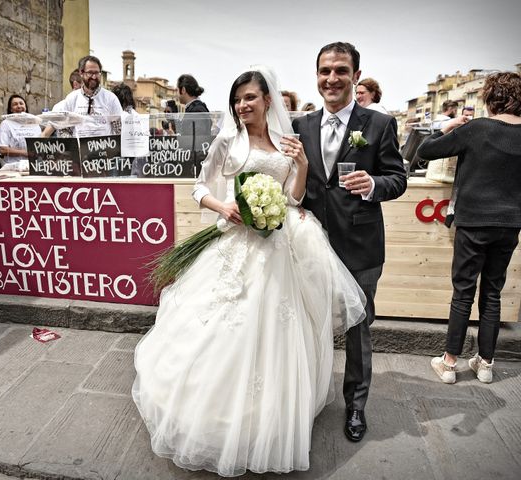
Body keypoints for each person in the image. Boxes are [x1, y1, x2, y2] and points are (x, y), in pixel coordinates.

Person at [133, 65, 366, 476]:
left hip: (278, 246)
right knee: (224, 324)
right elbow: (199, 187)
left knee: (278, 329)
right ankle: (215, 415)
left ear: (267, 100)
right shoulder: (227, 141)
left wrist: (304, 168)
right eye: (238, 99)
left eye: (250, 98)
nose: (242, 105)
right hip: (237, 242)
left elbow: (293, 199)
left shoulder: (286, 142)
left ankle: (269, 417)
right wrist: (223, 207)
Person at [293, 42, 407, 443]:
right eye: (325, 71)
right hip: (310, 246)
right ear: (317, 75)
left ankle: (356, 406)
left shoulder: (378, 124)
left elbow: (398, 179)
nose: (332, 79)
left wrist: (375, 183)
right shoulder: (301, 126)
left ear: (356, 76)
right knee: (307, 325)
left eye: (341, 70)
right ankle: (305, 400)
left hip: (360, 246)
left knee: (358, 329)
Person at [417, 71, 521, 385]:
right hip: (510, 224)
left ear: (490, 98)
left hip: (473, 222)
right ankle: (486, 364)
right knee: (492, 293)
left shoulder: (476, 129)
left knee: (463, 293)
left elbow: (425, 152)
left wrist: (446, 127)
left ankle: (449, 364)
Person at [44, 55, 123, 137]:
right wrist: (75, 145)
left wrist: (110, 146)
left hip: (104, 149)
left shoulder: (110, 98)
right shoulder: (72, 99)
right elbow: (63, 129)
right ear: (81, 73)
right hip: (78, 149)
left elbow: (120, 129)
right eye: (90, 73)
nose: (94, 77)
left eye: (97, 73)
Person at [0, 95, 42, 165]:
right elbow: (2, 149)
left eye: (21, 103)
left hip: (34, 165)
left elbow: (41, 146)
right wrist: (25, 153)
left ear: (25, 107)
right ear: (10, 109)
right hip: (13, 167)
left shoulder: (34, 124)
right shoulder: (6, 124)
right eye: (15, 104)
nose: (19, 106)